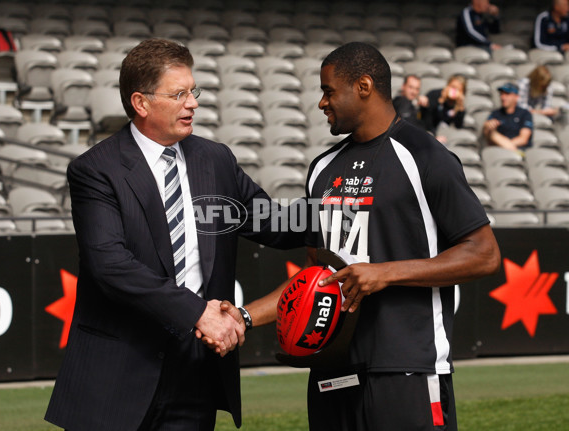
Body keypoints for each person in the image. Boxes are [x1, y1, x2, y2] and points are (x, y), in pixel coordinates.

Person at [213, 42, 501, 431]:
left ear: (363, 86)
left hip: (406, 369)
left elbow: (484, 254)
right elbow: (317, 278)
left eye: (329, 91)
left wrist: (385, 273)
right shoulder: (323, 169)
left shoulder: (424, 156)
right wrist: (246, 317)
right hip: (331, 368)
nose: (321, 103)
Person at [44, 38, 304, 431]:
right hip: (116, 375)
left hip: (195, 372)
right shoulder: (96, 170)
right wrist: (198, 312)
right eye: (179, 93)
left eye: (193, 91)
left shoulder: (215, 159)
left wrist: (347, 208)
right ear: (141, 103)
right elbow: (110, 265)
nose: (193, 103)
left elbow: (273, 221)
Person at [483, 82, 534, 152]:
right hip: (500, 152)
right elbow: (487, 133)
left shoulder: (524, 114)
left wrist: (506, 146)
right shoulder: (496, 114)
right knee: (491, 133)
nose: (503, 97)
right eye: (501, 94)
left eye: (507, 94)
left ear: (516, 97)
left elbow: (523, 139)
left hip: (519, 151)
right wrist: (488, 125)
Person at [422, 75, 467, 141]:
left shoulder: (458, 105)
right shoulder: (434, 95)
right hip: (427, 131)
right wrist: (440, 101)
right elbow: (428, 117)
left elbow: (458, 125)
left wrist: (460, 107)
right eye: (453, 87)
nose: (454, 91)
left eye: (458, 89)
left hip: (443, 135)